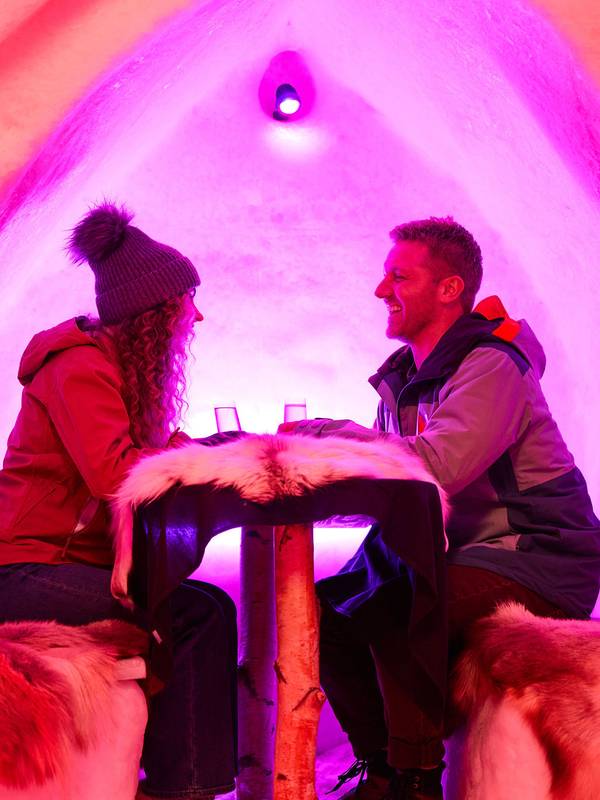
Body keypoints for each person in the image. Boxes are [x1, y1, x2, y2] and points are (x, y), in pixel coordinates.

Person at [295, 217, 600, 799]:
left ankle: (415, 780)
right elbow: (397, 491)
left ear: (449, 288)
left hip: (535, 556)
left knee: (400, 600)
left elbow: (437, 467)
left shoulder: (490, 364)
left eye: (398, 276)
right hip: (462, 554)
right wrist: (312, 473)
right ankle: (382, 768)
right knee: (326, 613)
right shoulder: (408, 381)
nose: (381, 291)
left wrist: (338, 437)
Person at [0, 203, 237, 800]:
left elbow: (134, 454)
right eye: (187, 303)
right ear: (153, 316)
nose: (197, 316)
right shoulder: (77, 366)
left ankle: (182, 784)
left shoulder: (109, 368)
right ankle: (180, 790)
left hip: (64, 562)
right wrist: (195, 459)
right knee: (195, 616)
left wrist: (196, 449)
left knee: (208, 605)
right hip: (25, 567)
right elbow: (113, 472)